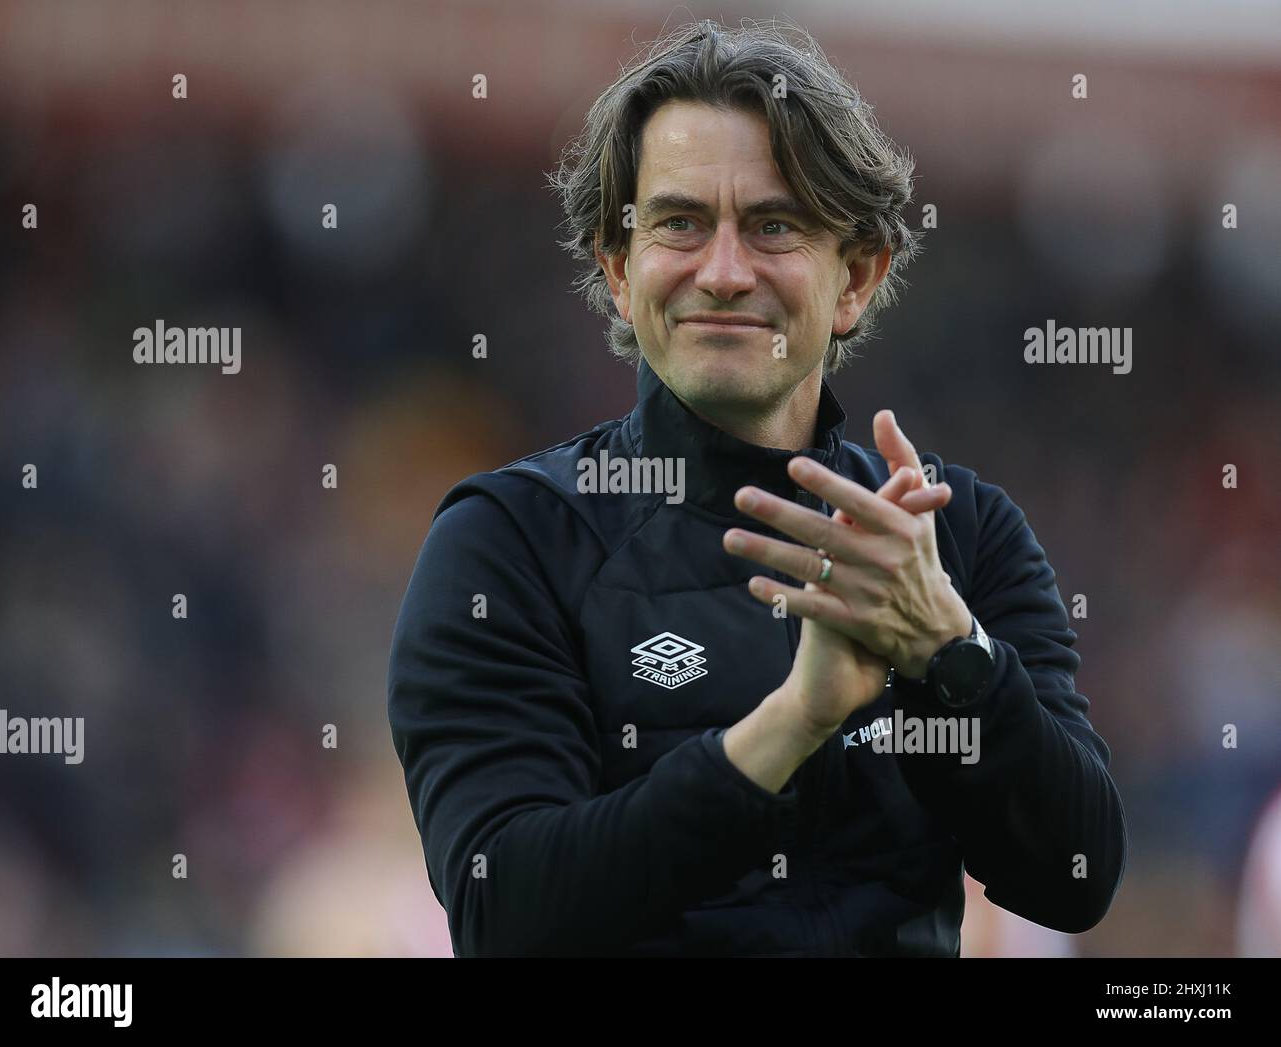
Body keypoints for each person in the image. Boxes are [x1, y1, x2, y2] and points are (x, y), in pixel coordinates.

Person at [387, 19, 1127, 956]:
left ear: (856, 277)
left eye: (773, 225)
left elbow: (1076, 876)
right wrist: (792, 724)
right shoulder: (509, 543)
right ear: (619, 272)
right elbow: (506, 918)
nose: (724, 272)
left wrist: (948, 651)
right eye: (680, 223)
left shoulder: (960, 534)